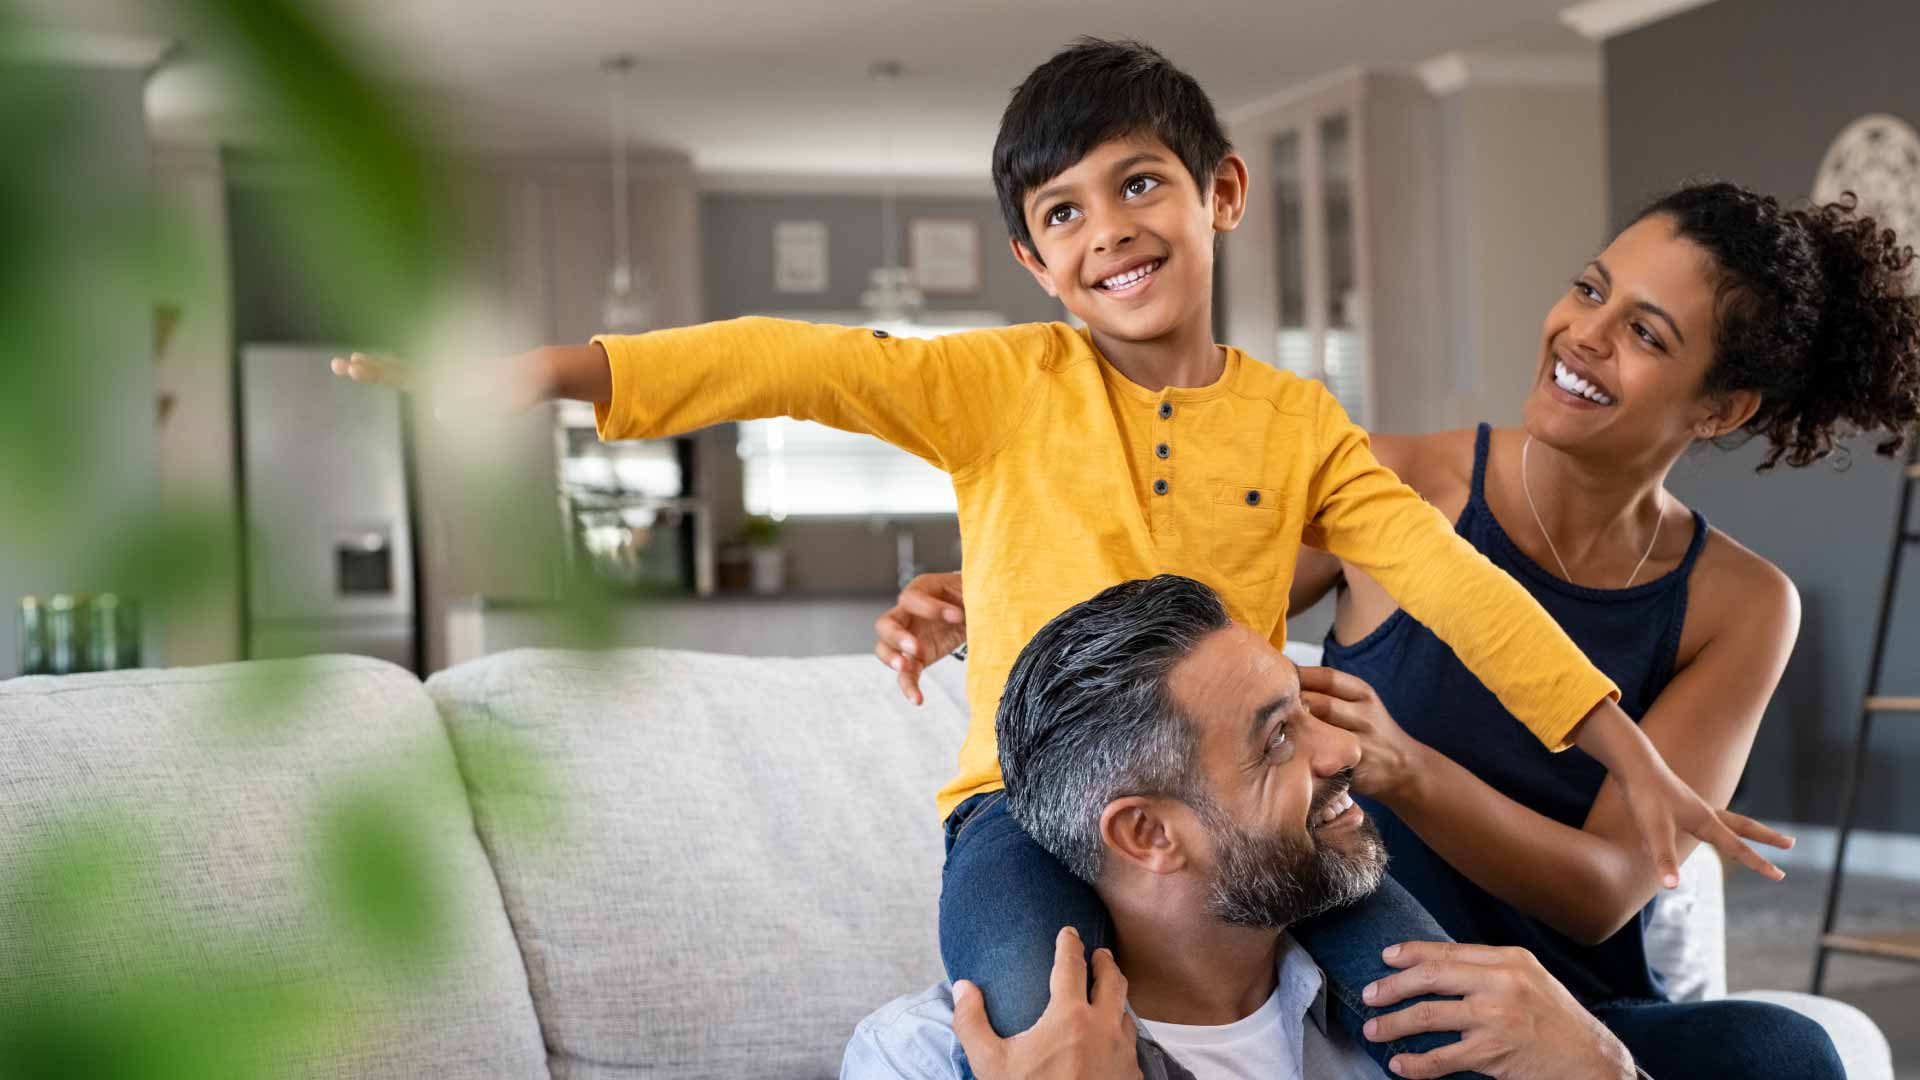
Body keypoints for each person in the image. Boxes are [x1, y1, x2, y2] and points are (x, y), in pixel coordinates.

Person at [334, 38, 1788, 1075]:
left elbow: (1465, 589)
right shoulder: (999, 385)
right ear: (1035, 264)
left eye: (1138, 184)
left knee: (1442, 1021)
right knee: (1048, 1039)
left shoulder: (1302, 429)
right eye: (1062, 214)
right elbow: (791, 364)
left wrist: (1626, 749)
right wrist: (551, 371)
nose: (1108, 232)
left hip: (1255, 824)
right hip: (1017, 820)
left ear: (1219, 191)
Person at [876, 180, 1918, 1077]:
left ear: (1720, 409)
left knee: (1791, 1054)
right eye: (1591, 289)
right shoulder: (1392, 482)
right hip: (1357, 969)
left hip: (1570, 1001)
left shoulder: (1738, 602)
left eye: (1648, 333)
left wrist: (1408, 770)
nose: (1585, 335)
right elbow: (1173, 623)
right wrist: (982, 592)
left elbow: (1606, 892)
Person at [844, 575, 1652, 1080]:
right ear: (1148, 835)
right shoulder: (918, 1059)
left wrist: (1603, 1070)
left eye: (1309, 713)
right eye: (1277, 739)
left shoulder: (1455, 1032)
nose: (1344, 752)